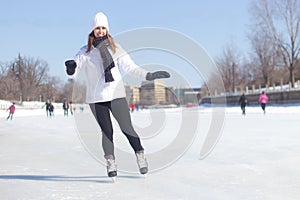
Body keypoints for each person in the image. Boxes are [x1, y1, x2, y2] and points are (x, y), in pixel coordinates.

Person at [64, 12, 170, 178]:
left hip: (116, 95)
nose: (100, 31)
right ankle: (110, 161)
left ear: (107, 29)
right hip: (96, 99)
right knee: (107, 132)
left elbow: (131, 67)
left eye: (103, 28)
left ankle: (140, 154)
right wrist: (70, 68)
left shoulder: (115, 48)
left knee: (127, 128)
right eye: (97, 28)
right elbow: (74, 71)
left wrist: (148, 76)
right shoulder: (85, 52)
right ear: (92, 30)